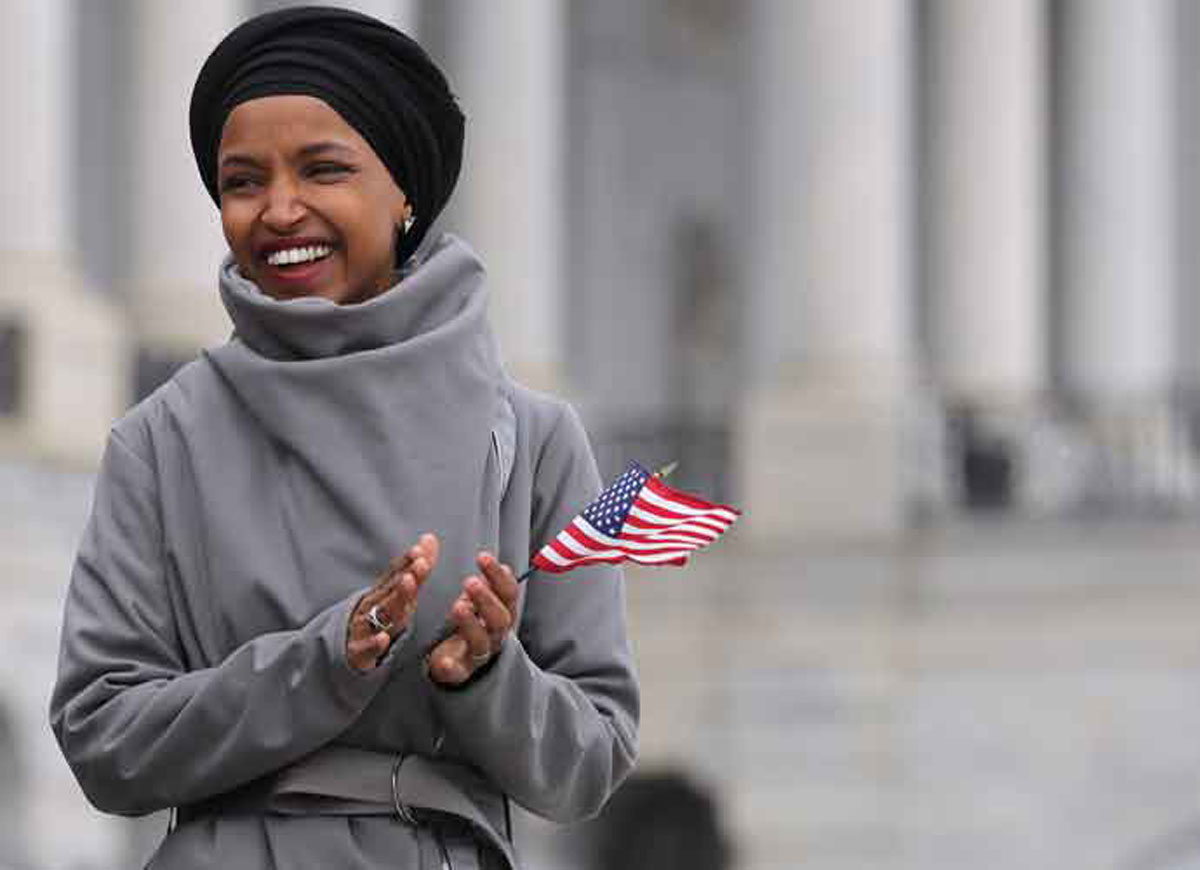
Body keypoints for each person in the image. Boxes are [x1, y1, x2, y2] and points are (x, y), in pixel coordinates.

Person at [48, 7, 639, 870]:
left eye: (322, 170)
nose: (279, 210)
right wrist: (325, 660)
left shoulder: (534, 441)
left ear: (404, 191)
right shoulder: (162, 438)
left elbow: (589, 762)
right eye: (243, 182)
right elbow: (103, 734)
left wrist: (483, 675)